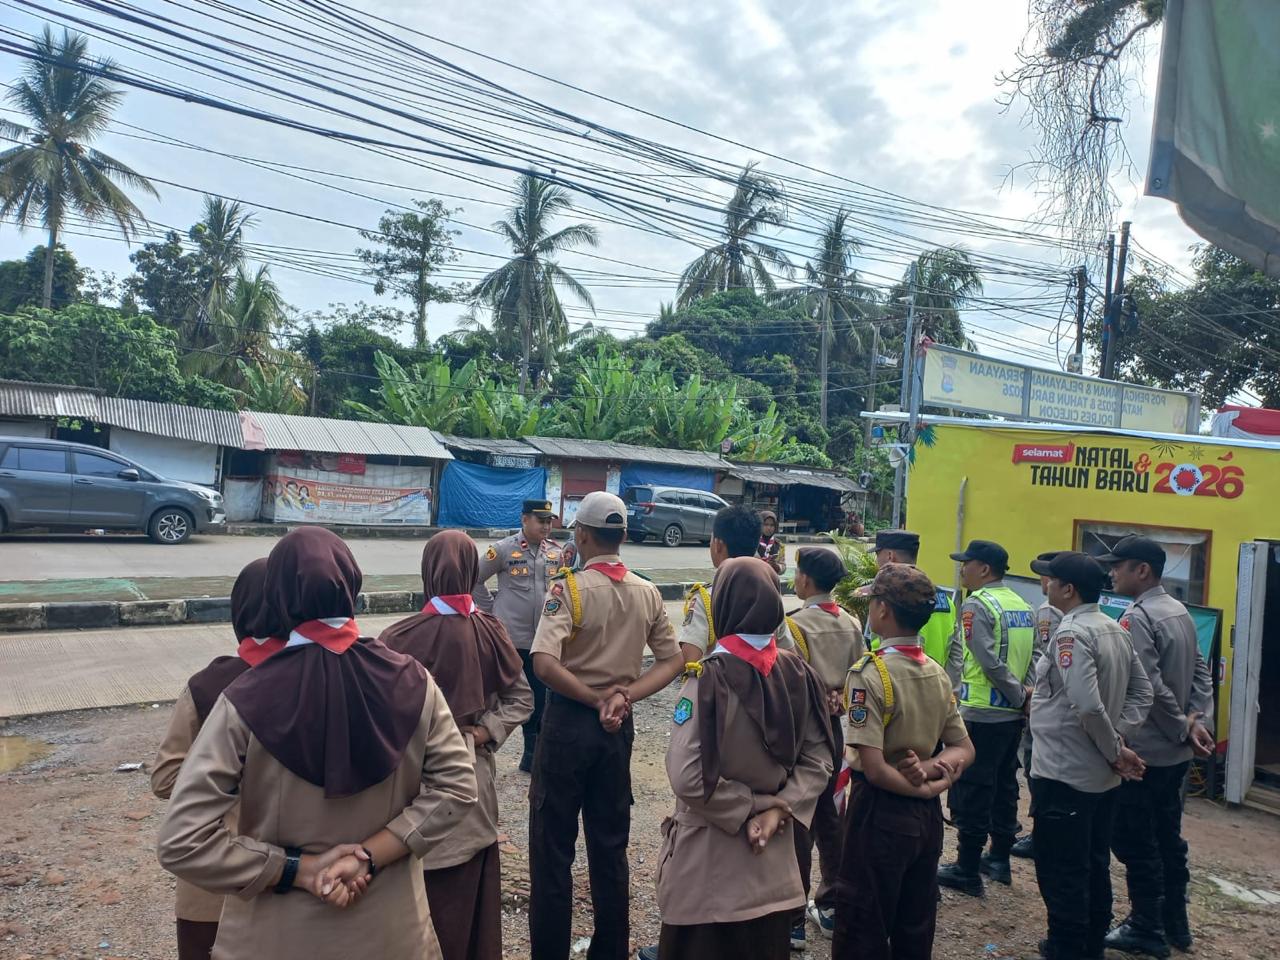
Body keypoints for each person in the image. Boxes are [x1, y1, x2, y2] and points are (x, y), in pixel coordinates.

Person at [157, 527, 479, 960]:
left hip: (275, 939)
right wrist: (368, 855)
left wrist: (297, 869)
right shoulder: (413, 681)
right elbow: (459, 788)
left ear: (277, 598)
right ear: (353, 586)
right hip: (391, 934)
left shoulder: (244, 699)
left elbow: (182, 841)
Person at [527, 491, 684, 960]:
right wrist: (624, 696)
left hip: (569, 723)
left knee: (552, 849)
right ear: (625, 536)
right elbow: (673, 660)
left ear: (581, 535)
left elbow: (543, 663)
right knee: (610, 847)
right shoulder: (647, 591)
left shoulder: (569, 589)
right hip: (617, 728)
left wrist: (596, 698)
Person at [654, 557, 835, 960]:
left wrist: (753, 804)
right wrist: (780, 807)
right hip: (772, 871)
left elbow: (687, 778)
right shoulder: (800, 674)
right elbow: (820, 758)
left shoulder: (706, 681)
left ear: (722, 607)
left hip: (708, 874)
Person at [379, 531, 534, 960]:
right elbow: (521, 698)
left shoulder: (396, 638)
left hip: (410, 781)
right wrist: (481, 733)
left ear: (426, 571)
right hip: (471, 775)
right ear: (471, 571)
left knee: (411, 887)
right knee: (464, 895)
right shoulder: (491, 631)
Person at [833, 563, 974, 960]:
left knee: (862, 922)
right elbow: (964, 748)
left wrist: (925, 783)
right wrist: (931, 775)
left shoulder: (869, 674)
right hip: (925, 817)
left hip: (879, 811)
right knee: (915, 920)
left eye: (872, 602)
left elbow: (875, 769)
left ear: (882, 610)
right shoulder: (936, 672)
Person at [152, 558, 285, 960]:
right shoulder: (315, 679)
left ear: (238, 611)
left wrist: (223, 775)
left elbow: (165, 778)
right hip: (292, 872)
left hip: (214, 874)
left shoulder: (207, 685)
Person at [1027, 551, 1153, 960]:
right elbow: (1142, 693)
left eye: (1051, 579)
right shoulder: (1114, 628)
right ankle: (1090, 945)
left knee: (1062, 869)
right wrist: (1119, 739)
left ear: (1068, 589)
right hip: (1098, 775)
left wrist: (1115, 748)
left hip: (1066, 772)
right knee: (1093, 863)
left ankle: (1067, 948)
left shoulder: (1072, 633)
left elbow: (1086, 705)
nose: (1046, 585)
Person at [1098, 536, 1215, 957]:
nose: (1112, 572)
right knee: (1168, 837)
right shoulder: (1179, 610)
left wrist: (1184, 726)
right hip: (1176, 753)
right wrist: (1199, 720)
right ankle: (1174, 923)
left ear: (1142, 570)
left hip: (1146, 751)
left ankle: (1146, 925)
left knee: (1136, 839)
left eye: (1119, 565)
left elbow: (1148, 686)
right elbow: (1201, 672)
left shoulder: (1139, 616)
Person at [938, 539, 1036, 896]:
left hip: (982, 712)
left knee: (974, 788)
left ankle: (966, 868)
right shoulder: (1021, 604)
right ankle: (999, 858)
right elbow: (1033, 654)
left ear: (983, 569)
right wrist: (1026, 694)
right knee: (1004, 785)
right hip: (1011, 715)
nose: (962, 569)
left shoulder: (977, 604)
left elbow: (987, 659)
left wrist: (1017, 693)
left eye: (967, 563)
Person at [780, 547, 865, 947]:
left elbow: (790, 681)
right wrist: (841, 698)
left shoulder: (794, 626)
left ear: (805, 579)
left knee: (800, 815)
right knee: (833, 812)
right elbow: (861, 675)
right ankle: (831, 903)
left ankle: (793, 917)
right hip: (836, 727)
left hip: (803, 729)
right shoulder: (852, 622)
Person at [473, 498, 566, 773]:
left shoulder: (556, 553)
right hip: (509, 640)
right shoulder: (503, 549)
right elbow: (475, 579)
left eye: (549, 521)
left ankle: (531, 755)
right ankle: (479, 751)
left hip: (540, 641)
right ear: (524, 520)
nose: (546, 526)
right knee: (498, 698)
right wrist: (491, 611)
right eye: (541, 521)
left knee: (538, 698)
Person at [1011, 551, 1066, 861]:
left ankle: (1041, 833)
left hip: (1046, 703)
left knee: (1036, 766)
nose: (1043, 581)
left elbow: (1046, 658)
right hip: (1060, 706)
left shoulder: (1047, 611)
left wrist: (1032, 695)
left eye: (1046, 575)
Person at [859, 529, 963, 684]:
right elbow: (956, 657)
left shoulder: (888, 597)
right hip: (935, 683)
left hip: (891, 685)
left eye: (877, 555)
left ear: (890, 556)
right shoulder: (945, 600)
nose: (876, 561)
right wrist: (949, 692)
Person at [678, 505, 767, 664]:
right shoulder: (768, 596)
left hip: (721, 678)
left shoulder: (707, 598)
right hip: (762, 678)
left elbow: (690, 660)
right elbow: (789, 651)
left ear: (718, 544)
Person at [757, 510, 787, 575]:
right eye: (765, 524)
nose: (769, 528)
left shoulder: (779, 544)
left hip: (772, 579)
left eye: (772, 525)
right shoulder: (753, 542)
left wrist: (776, 566)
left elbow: (783, 567)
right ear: (759, 525)